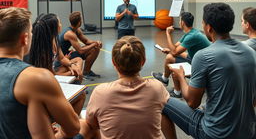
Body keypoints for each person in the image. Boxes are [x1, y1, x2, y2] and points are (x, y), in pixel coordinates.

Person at [162, 3, 256, 139]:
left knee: (163, 101)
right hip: (248, 132)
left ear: (209, 27)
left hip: (214, 134)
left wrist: (181, 77)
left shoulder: (203, 56)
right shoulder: (251, 52)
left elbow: (192, 103)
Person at [0, 7, 80, 138]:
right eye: (31, 32)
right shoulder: (36, 77)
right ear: (25, 39)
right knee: (88, 126)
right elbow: (73, 128)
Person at [78, 36, 176, 139]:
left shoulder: (101, 92)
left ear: (113, 62)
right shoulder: (157, 87)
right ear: (143, 61)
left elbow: (92, 124)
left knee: (84, 124)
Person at [152, 12, 210, 98]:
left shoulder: (192, 36)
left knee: (173, 63)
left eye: (179, 20)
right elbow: (174, 47)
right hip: (195, 60)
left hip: (202, 68)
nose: (179, 22)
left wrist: (168, 34)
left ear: (182, 22)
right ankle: (165, 79)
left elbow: (175, 51)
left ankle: (176, 91)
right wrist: (170, 50)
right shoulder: (190, 33)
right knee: (170, 56)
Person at [58, 11, 102, 79]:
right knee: (94, 48)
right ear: (79, 22)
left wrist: (96, 42)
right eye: (81, 19)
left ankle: (87, 72)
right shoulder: (70, 34)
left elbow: (86, 41)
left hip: (67, 53)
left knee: (95, 47)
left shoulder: (76, 29)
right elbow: (81, 51)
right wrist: (94, 45)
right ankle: (84, 73)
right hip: (63, 57)